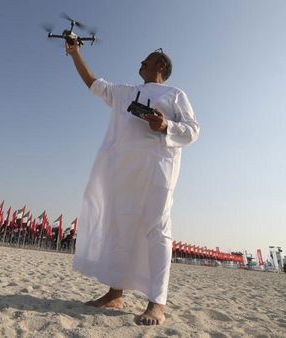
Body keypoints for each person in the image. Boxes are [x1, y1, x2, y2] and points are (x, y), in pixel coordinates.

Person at [66, 41, 199, 325]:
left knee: (158, 229)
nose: (141, 63)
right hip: (122, 172)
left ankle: (157, 303)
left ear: (160, 66)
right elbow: (93, 82)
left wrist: (166, 126)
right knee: (120, 229)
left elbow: (193, 131)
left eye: (147, 60)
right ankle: (115, 293)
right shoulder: (125, 92)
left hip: (157, 170)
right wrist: (76, 52)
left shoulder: (175, 95)